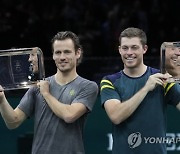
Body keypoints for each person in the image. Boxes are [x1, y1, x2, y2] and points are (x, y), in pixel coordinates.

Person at [0, 31, 99, 154]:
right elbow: (13, 122)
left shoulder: (88, 86)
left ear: (77, 53)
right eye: (58, 52)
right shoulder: (38, 87)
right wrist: (2, 99)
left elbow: (69, 116)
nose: (62, 57)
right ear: (53, 55)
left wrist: (46, 94)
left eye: (67, 52)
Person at [100, 27, 180, 154]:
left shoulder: (162, 78)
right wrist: (146, 88)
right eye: (125, 48)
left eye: (134, 47)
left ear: (144, 49)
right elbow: (116, 116)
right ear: (119, 50)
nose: (129, 52)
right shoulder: (110, 81)